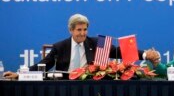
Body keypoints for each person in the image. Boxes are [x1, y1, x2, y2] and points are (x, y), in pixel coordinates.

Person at [4, 14, 159, 79]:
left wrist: (145, 55)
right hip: (65, 85)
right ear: (71, 30)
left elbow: (120, 51)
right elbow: (44, 65)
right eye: (79, 30)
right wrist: (20, 75)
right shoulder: (60, 46)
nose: (82, 33)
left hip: (89, 83)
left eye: (85, 29)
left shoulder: (96, 43)